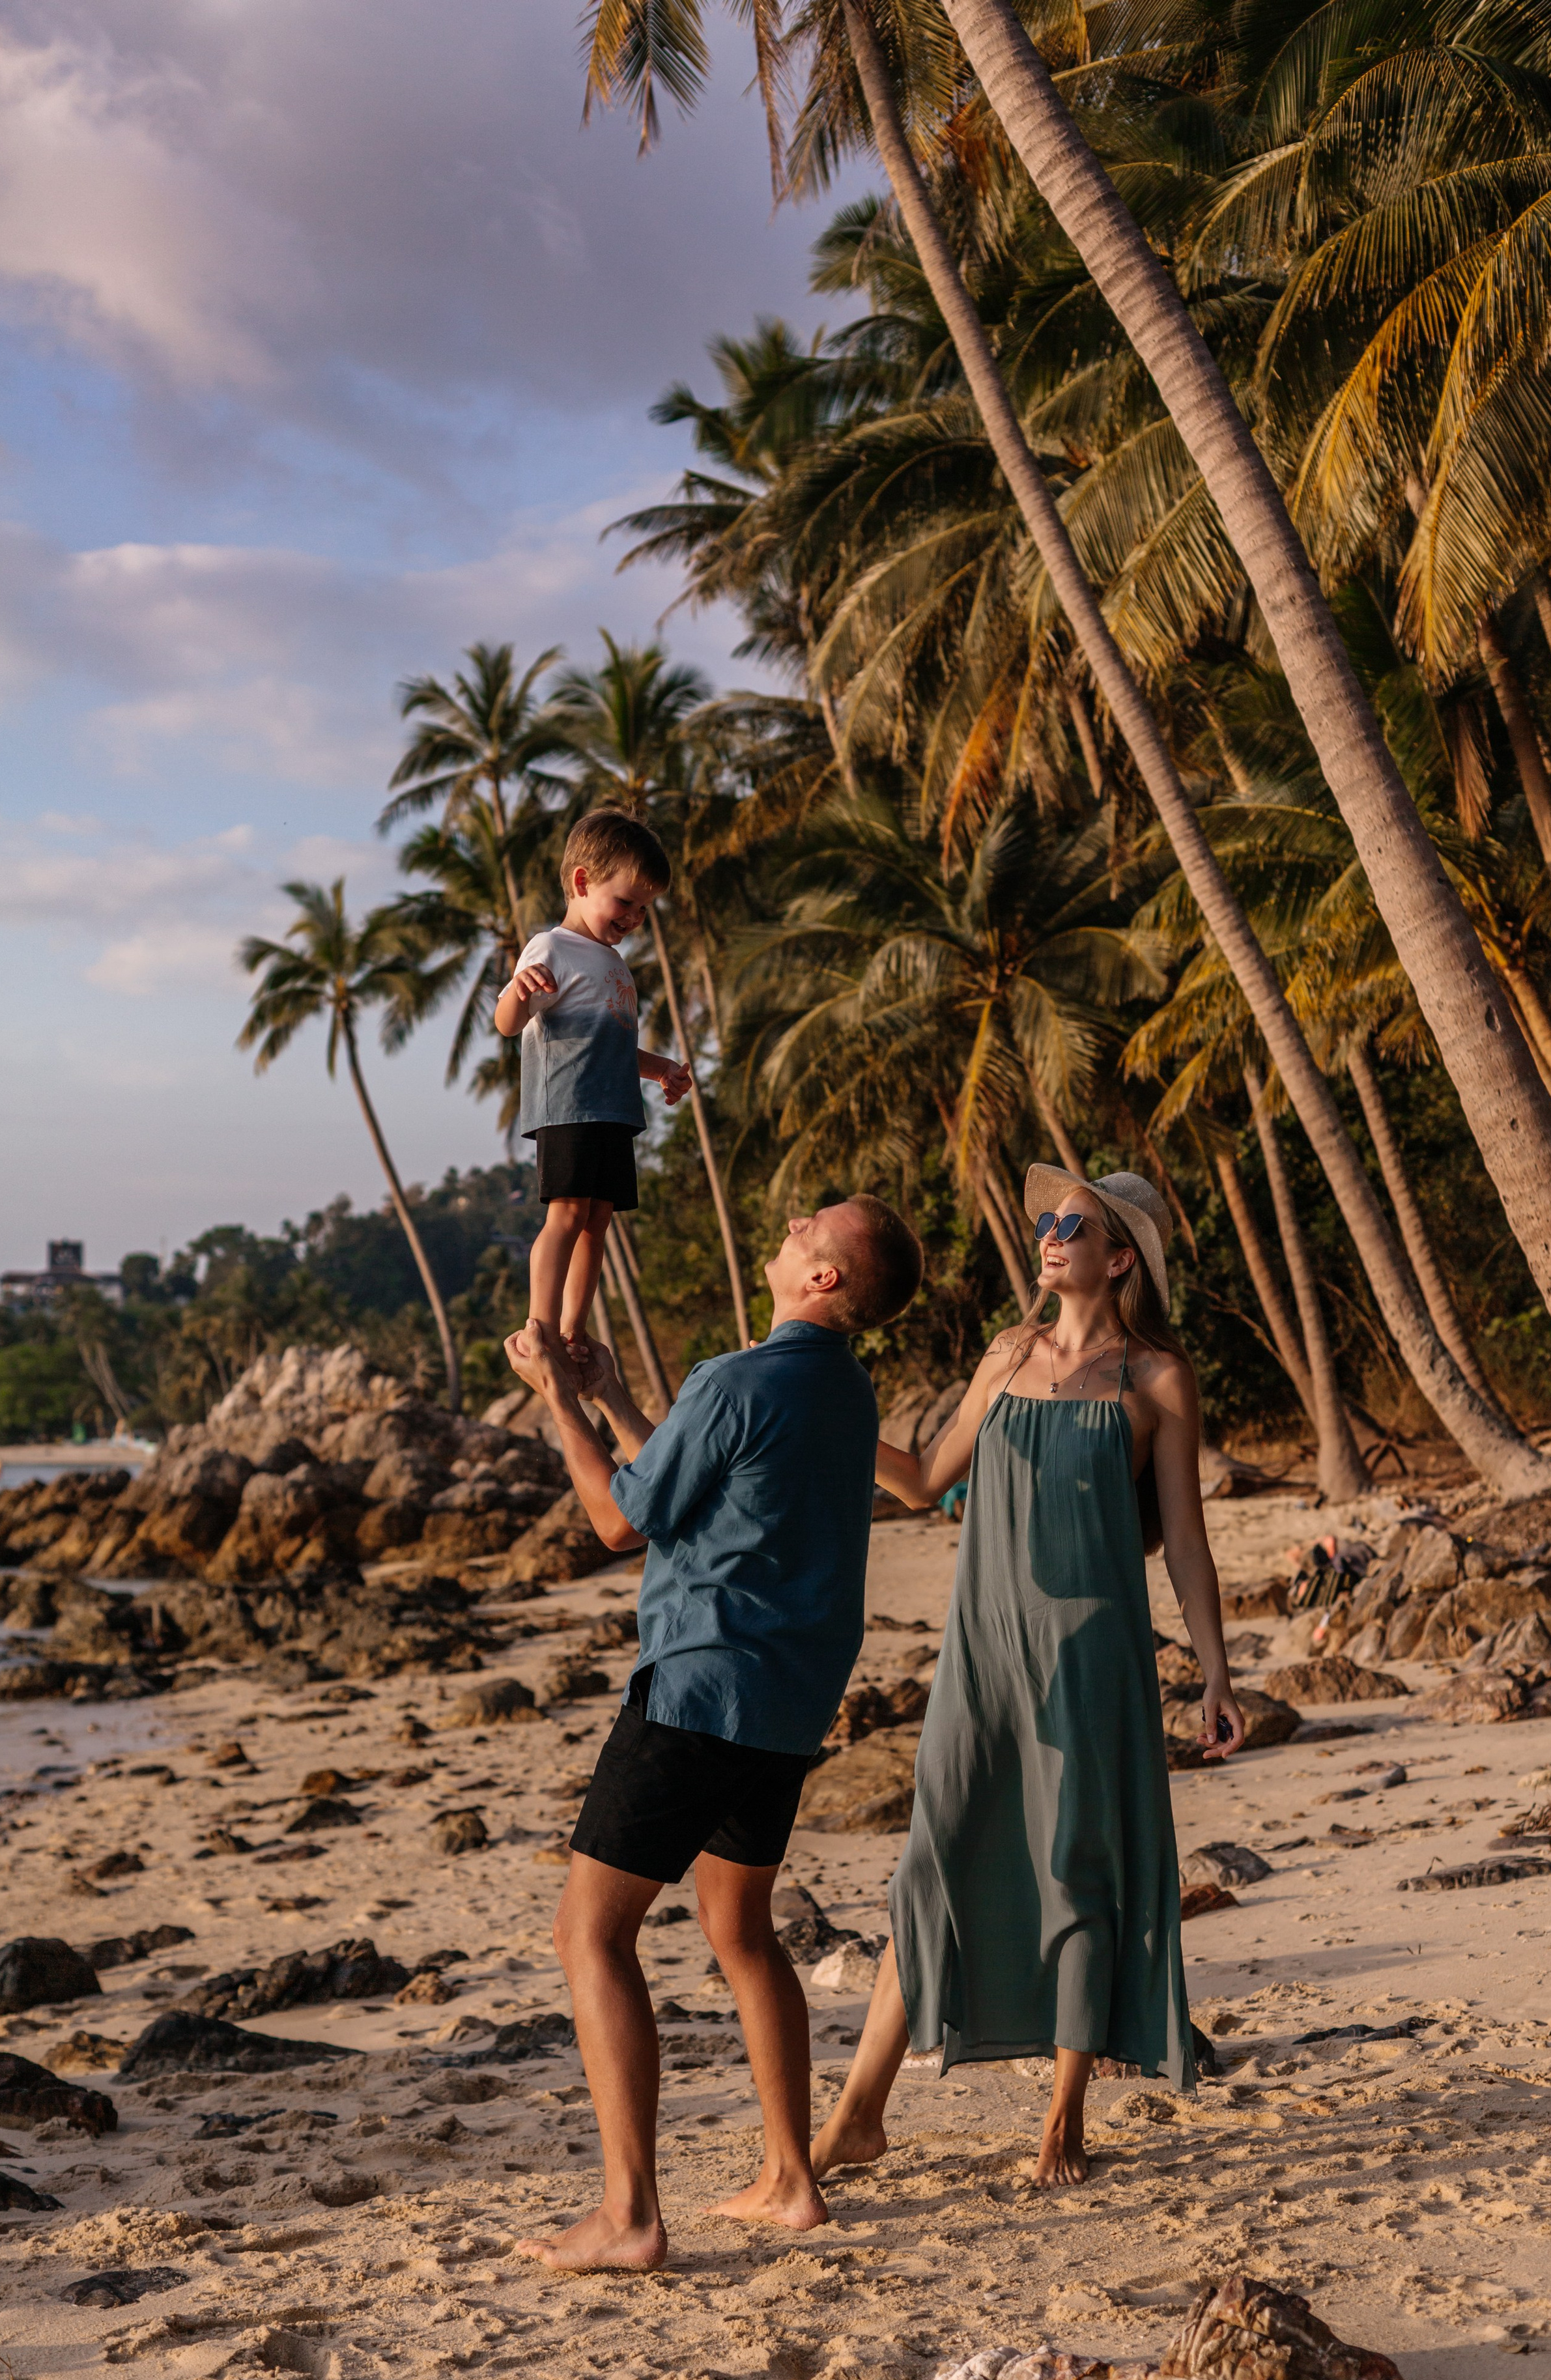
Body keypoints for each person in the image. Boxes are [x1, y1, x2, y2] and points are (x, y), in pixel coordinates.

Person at [501, 1193, 925, 2273]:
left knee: (589, 1935)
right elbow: (696, 1490)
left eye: (811, 1228)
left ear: (826, 1279)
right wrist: (614, 1399)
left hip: (697, 1690)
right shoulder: (841, 1388)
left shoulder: (735, 1380)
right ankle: (791, 2179)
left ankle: (630, 2215)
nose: (791, 1226)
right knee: (741, 1931)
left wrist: (559, 1401)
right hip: (783, 1706)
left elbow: (619, 1520)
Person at [810, 1166, 1244, 2191]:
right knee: (931, 1864)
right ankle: (858, 2116)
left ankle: (1064, 2113)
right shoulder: (1006, 1357)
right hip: (982, 1652)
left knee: (1075, 1867)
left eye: (1072, 1225)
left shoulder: (1156, 1379)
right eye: (1046, 1220)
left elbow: (1185, 1543)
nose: (1049, 1233)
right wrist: (825, 1410)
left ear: (1120, 1258)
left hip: (1090, 1658)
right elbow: (925, 1482)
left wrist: (1217, 1675)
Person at [495, 808, 692, 1362]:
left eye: (644, 909)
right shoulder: (552, 948)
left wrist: (661, 1070)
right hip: (569, 1106)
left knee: (597, 1222)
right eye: (625, 902)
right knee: (568, 1214)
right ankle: (540, 1326)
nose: (634, 918)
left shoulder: (612, 963)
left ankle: (573, 1331)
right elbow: (508, 1024)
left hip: (613, 1110)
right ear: (582, 882)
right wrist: (519, 989)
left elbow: (613, 1048)